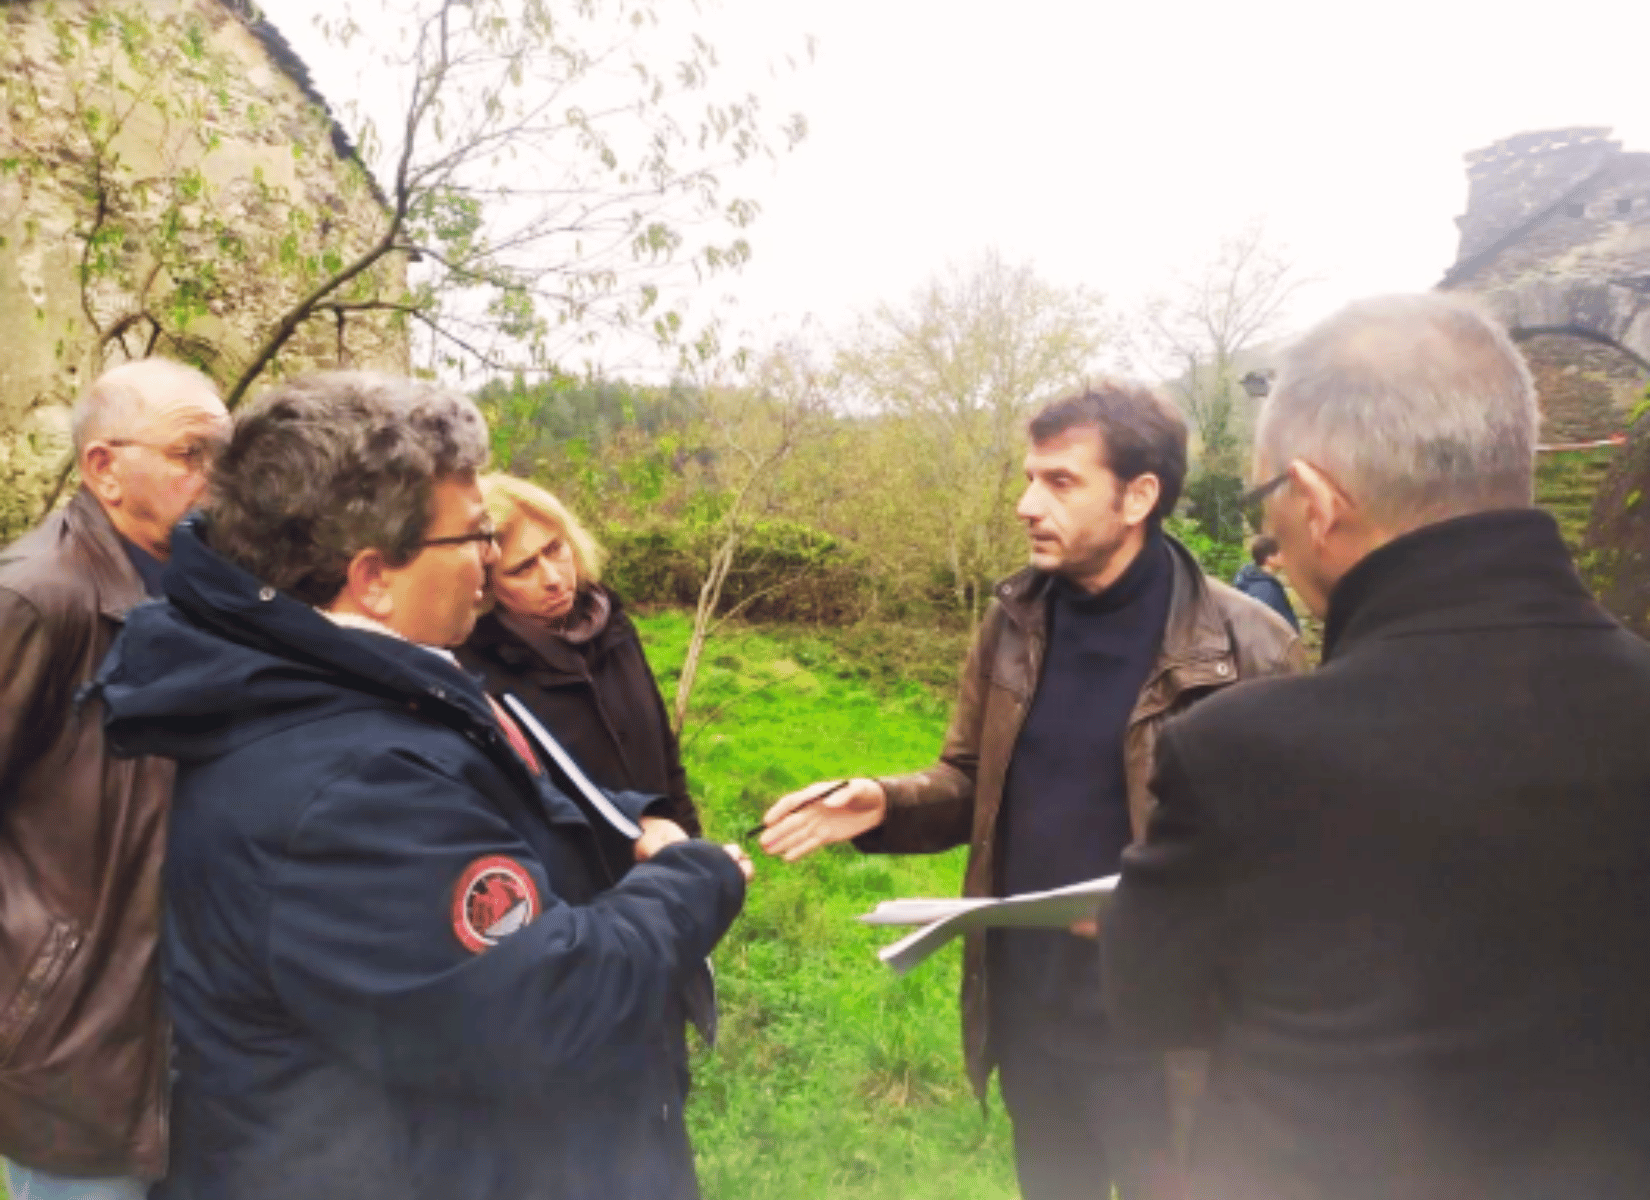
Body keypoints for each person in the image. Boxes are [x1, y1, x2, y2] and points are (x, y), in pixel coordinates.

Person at [94, 372, 752, 1200]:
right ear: (372, 578)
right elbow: (547, 1005)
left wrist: (625, 823)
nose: (491, 559)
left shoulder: (363, 686)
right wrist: (696, 880)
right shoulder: (352, 787)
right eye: (473, 536)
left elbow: (499, 810)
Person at [1102, 294, 1650, 1200]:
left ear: (1315, 502)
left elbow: (1153, 1001)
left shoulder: (1243, 752)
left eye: (1263, 499)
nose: (1267, 533)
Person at [756, 382, 1304, 1200]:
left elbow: (1288, 868)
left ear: (1139, 495)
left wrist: (1160, 914)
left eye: (1060, 481)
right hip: (1032, 1020)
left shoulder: (1250, 646)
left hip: (1171, 1044)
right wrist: (883, 800)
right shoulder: (1014, 618)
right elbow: (974, 779)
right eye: (1027, 477)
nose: (1025, 504)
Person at [0, 359, 227, 1200]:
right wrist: (31, 983)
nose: (215, 477)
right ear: (104, 467)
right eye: (190, 452)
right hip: (77, 1044)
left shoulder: (205, 591)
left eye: (225, 452)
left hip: (199, 1029)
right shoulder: (35, 597)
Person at [458, 473, 700, 836]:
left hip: (670, 862)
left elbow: (665, 761)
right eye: (523, 568)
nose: (553, 578)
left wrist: (697, 859)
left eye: (555, 548)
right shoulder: (479, 677)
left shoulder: (613, 626)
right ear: (486, 585)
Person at [1231, 534, 1299, 630]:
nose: (1285, 554)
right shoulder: (1265, 590)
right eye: (1280, 551)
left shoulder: (1253, 581)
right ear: (1269, 558)